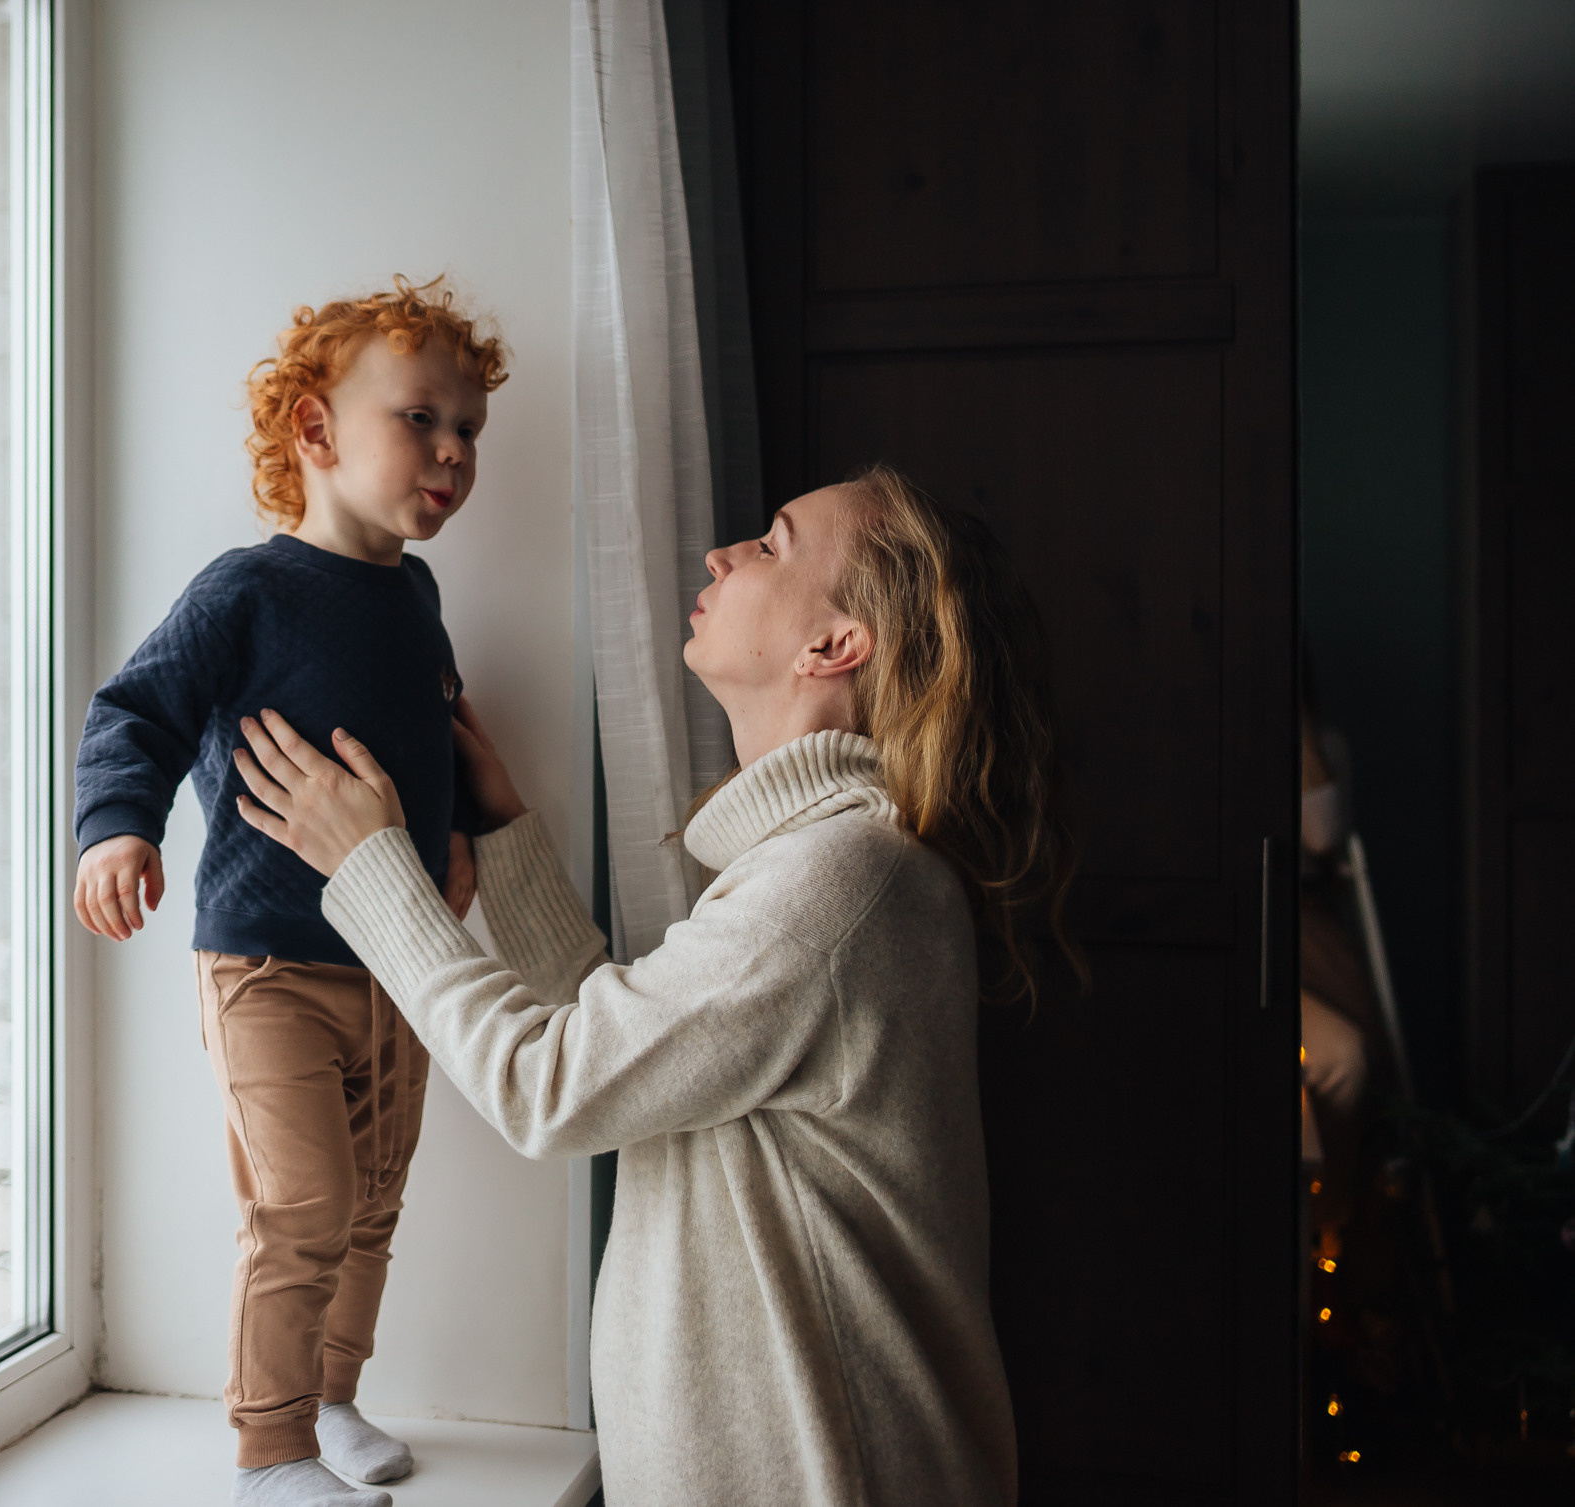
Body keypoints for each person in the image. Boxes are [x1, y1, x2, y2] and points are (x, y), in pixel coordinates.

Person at [229, 465, 1078, 1507]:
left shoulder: (839, 882)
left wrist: (367, 866)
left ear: (833, 644)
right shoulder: (830, 867)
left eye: (771, 542)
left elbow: (550, 1085)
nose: (723, 554)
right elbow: (642, 1057)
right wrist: (503, 836)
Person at [72, 278, 505, 1507]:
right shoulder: (246, 589)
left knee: (371, 1204)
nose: (452, 451)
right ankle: (269, 1452)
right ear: (316, 431)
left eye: (469, 430)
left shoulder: (416, 597)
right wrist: (115, 828)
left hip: (403, 962)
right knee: (302, 1201)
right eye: (421, 418)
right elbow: (133, 710)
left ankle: (330, 1396)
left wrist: (467, 829)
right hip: (266, 962)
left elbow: (437, 738)